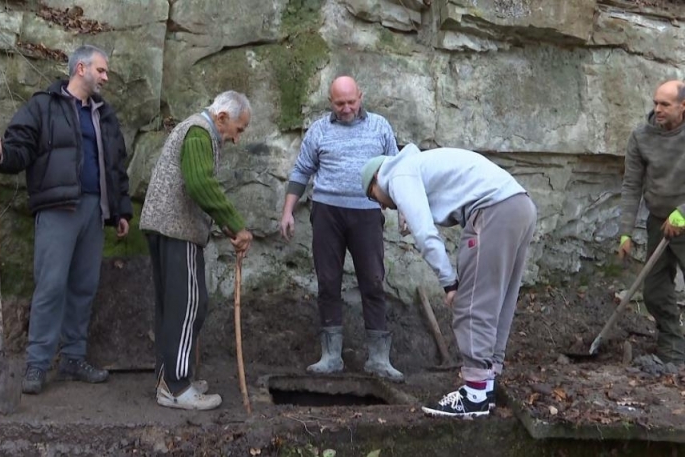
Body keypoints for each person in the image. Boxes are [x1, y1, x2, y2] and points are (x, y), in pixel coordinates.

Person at [0, 45, 133, 395]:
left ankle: (73, 359)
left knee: (84, 286)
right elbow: (20, 148)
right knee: (50, 286)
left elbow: (116, 165)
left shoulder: (104, 115)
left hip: (95, 210)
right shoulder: (43, 106)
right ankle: (36, 364)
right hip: (57, 209)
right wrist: (1, 154)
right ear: (81, 68)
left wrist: (121, 210)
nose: (106, 77)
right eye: (101, 70)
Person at [361, 144, 536, 417]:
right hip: (520, 205)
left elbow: (425, 234)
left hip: (492, 211)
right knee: (498, 302)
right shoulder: (414, 167)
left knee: (471, 303)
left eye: (374, 196)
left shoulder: (396, 176)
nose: (382, 206)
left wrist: (450, 283)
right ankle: (486, 386)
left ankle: (474, 396)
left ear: (377, 178)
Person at [279, 76, 404, 382]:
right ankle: (331, 356)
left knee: (373, 281)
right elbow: (302, 170)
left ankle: (378, 359)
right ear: (330, 102)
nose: (346, 108)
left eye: (351, 102)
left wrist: (404, 211)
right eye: (339, 103)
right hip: (327, 214)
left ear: (360, 96)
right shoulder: (319, 130)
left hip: (367, 213)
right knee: (328, 281)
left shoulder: (380, 127)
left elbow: (398, 172)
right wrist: (288, 211)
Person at [140, 91, 254, 410]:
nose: (237, 139)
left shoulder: (194, 130)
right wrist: (235, 224)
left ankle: (170, 378)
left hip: (163, 225)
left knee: (172, 307)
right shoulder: (200, 132)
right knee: (189, 305)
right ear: (222, 118)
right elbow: (200, 184)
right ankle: (177, 387)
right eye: (238, 129)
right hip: (178, 228)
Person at [618, 80, 685, 366]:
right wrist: (625, 232)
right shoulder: (641, 136)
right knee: (655, 292)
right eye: (655, 103)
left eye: (665, 104)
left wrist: (682, 212)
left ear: (683, 106)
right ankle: (674, 352)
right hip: (658, 222)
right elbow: (631, 185)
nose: (657, 109)